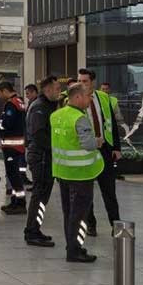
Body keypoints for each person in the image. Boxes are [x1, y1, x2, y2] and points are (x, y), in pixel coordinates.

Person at [52, 83, 99, 263]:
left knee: (68, 212)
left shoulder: (56, 116)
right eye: (88, 96)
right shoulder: (79, 118)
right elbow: (87, 144)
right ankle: (75, 250)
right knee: (79, 214)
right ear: (78, 97)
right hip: (81, 173)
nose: (90, 99)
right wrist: (98, 141)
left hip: (63, 171)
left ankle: (71, 246)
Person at [77, 68, 121, 237]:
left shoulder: (103, 98)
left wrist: (116, 147)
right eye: (79, 81)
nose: (81, 84)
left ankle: (116, 224)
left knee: (109, 191)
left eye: (85, 81)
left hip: (104, 150)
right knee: (87, 191)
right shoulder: (73, 99)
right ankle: (91, 224)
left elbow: (112, 123)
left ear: (92, 82)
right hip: (86, 150)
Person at [23, 77, 60, 248]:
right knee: (39, 195)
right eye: (57, 89)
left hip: (44, 156)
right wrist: (54, 149)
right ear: (48, 90)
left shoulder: (47, 106)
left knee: (42, 196)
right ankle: (31, 231)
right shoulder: (40, 107)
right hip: (41, 157)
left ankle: (35, 229)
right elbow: (38, 134)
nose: (59, 92)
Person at [0, 81, 27, 215]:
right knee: (15, 175)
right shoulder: (19, 101)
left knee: (13, 176)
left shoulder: (11, 104)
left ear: (4, 90)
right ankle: (15, 201)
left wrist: (0, 125)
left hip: (11, 145)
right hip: (18, 144)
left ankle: (20, 203)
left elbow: (7, 123)